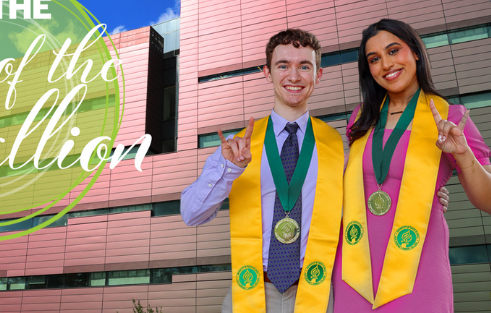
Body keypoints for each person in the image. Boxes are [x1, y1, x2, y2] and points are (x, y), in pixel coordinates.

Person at [332, 18, 491, 312]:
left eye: (394, 51)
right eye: (375, 59)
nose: (386, 64)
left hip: (417, 267)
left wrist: (463, 154)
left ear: (415, 52)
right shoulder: (361, 118)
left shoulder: (450, 117)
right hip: (354, 268)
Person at [181, 29, 345, 312]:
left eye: (304, 66)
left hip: (316, 290)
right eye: (283, 65)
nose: (293, 76)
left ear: (318, 74)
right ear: (267, 73)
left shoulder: (336, 146)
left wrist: (433, 196)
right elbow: (191, 214)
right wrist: (229, 169)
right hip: (251, 288)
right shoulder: (238, 148)